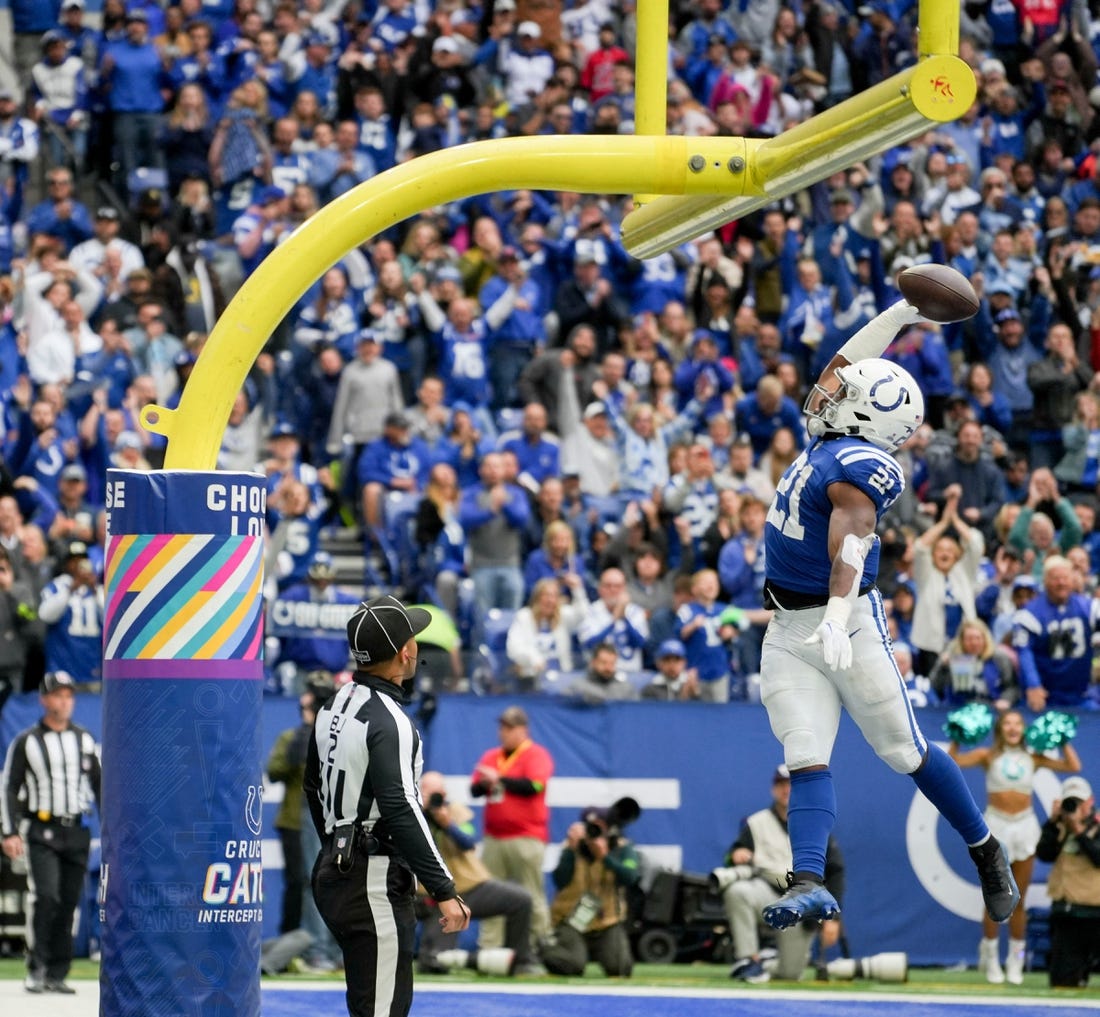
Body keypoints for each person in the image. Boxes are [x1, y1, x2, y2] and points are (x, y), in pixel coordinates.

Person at [757, 291, 1020, 935]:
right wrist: (902, 315)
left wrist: (838, 612)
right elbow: (841, 365)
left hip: (846, 622)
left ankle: (987, 849)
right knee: (805, 755)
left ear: (871, 420)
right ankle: (810, 881)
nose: (830, 392)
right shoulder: (832, 432)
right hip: (791, 628)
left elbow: (852, 537)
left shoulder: (862, 464)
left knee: (902, 749)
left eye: (846, 395)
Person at [303, 596, 470, 1017]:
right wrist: (444, 889)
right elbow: (401, 807)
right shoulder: (391, 721)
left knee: (370, 1003)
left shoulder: (333, 705)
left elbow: (312, 786)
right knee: (383, 1010)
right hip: (371, 877)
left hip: (334, 869)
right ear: (404, 653)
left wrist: (336, 845)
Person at [950, 709, 1081, 983]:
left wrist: (1061, 737)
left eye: (1017, 723)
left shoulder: (1033, 758)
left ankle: (1016, 960)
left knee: (1017, 899)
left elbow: (1073, 766)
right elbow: (951, 761)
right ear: (1000, 728)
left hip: (1025, 827)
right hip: (996, 826)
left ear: (1023, 729)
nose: (1012, 728)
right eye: (1007, 723)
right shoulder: (988, 756)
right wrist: (958, 735)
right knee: (995, 895)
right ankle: (991, 958)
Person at [1, 670, 101, 995]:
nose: (64, 701)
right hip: (41, 828)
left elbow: (100, 787)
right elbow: (9, 788)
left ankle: (58, 972)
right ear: (44, 700)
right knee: (46, 896)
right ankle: (37, 967)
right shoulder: (27, 741)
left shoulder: (84, 739)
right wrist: (9, 831)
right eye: (58, 695)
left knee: (69, 901)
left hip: (76, 830)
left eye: (69, 695)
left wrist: (113, 829)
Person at [715, 765, 844, 984]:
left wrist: (835, 918)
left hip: (800, 905)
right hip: (767, 893)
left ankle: (768, 961)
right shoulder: (757, 823)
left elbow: (836, 871)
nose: (786, 790)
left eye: (791, 785)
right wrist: (736, 854)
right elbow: (732, 856)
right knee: (738, 891)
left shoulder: (815, 823)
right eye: (781, 785)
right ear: (774, 789)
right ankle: (749, 959)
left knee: (790, 974)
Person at [416, 771, 544, 976]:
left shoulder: (455, 811)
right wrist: (422, 813)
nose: (431, 797)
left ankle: (520, 960)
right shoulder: (412, 815)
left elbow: (469, 841)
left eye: (436, 792)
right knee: (435, 961)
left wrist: (446, 823)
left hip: (470, 887)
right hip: (433, 895)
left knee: (521, 899)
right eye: (426, 791)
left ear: (444, 793)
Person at [470, 705, 554, 949]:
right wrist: (487, 783)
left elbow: (535, 786)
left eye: (509, 728)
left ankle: (540, 947)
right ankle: (489, 949)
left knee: (532, 894)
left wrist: (500, 780)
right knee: (491, 896)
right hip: (494, 838)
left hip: (526, 837)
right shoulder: (491, 756)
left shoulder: (536, 755)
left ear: (523, 730)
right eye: (502, 727)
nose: (503, 733)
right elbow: (474, 790)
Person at [541, 803, 640, 977]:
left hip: (606, 921)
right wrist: (570, 851)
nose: (595, 833)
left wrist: (605, 857)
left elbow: (630, 877)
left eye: (600, 829)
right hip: (571, 921)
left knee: (620, 968)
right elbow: (560, 880)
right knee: (570, 965)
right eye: (591, 828)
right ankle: (542, 948)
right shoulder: (572, 848)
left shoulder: (621, 848)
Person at [1036, 774, 1100, 988]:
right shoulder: (1059, 827)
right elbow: (1044, 853)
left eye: (1079, 802)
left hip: (1096, 914)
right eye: (1070, 802)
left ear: (1090, 802)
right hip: (1066, 914)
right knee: (1063, 983)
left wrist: (1079, 831)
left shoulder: (1097, 825)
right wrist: (1053, 822)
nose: (1075, 807)